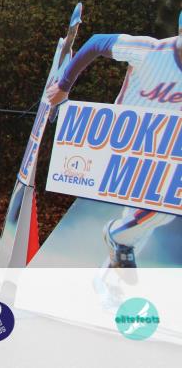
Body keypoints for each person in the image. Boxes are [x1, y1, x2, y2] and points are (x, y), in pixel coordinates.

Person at [45, 14, 181, 268]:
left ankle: (112, 271)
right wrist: (64, 85)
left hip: (163, 148)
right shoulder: (151, 51)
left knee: (151, 218)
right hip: (125, 140)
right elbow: (97, 42)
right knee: (160, 210)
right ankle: (116, 237)